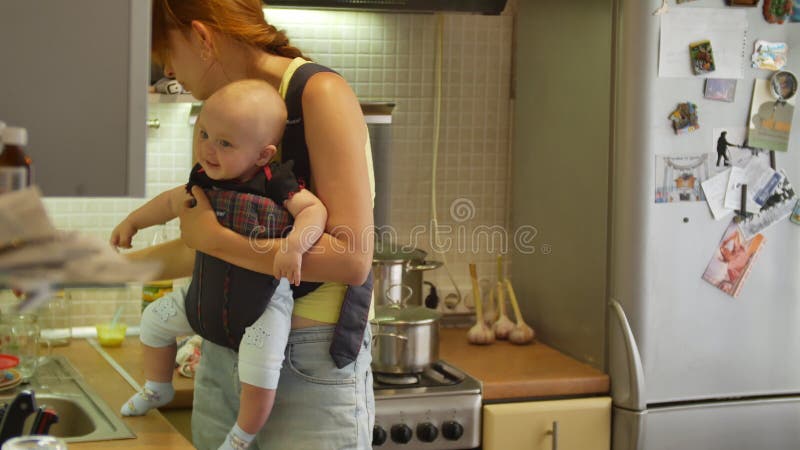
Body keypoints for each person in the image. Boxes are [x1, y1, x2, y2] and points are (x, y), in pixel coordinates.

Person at [128, 1, 376, 449]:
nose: (166, 66)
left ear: (202, 38)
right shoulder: (219, 118)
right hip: (223, 351)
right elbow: (201, 242)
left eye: (166, 50)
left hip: (309, 363)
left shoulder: (317, 93)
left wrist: (216, 239)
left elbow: (351, 259)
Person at [112, 79, 328, 450]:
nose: (208, 150)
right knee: (154, 320)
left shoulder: (276, 181)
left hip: (263, 305)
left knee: (260, 372)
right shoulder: (203, 178)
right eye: (204, 135)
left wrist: (295, 245)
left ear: (263, 155)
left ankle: (242, 435)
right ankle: (158, 387)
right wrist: (133, 221)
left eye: (224, 143)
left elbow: (313, 210)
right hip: (204, 297)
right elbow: (169, 203)